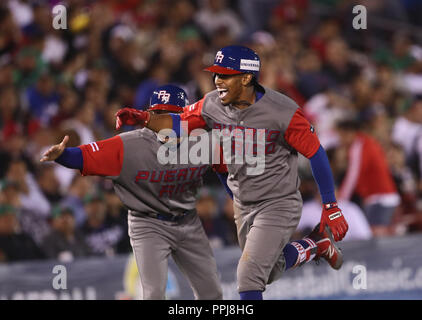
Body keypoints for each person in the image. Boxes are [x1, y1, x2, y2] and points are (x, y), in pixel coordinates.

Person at [115, 45, 349, 300]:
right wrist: (144, 118)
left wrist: (330, 205)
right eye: (216, 74)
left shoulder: (283, 111)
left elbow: (316, 153)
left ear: (247, 78)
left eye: (225, 75)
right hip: (244, 205)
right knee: (269, 270)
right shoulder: (211, 104)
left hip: (278, 203)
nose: (217, 81)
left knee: (248, 277)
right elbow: (178, 123)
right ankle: (316, 245)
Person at [40, 85, 223, 300]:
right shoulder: (129, 146)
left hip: (187, 220)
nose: (164, 119)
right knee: (153, 294)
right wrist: (63, 155)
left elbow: (233, 163)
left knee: (212, 293)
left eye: (172, 114)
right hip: (148, 224)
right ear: (150, 115)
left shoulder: (202, 141)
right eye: (158, 113)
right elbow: (85, 156)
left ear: (185, 117)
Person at [336, 119, 400, 236]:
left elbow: (353, 175)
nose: (340, 140)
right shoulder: (366, 143)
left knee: (376, 234)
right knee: (378, 234)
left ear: (349, 133)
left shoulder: (359, 146)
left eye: (341, 135)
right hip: (380, 196)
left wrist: (341, 200)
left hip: (380, 197)